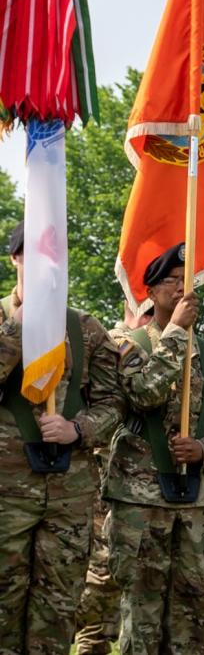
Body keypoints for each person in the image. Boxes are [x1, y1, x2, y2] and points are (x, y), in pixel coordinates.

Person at [0, 222, 127, 655]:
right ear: (15, 258)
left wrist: (80, 429)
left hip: (69, 497)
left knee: (56, 615)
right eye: (33, 254)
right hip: (6, 496)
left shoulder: (85, 329)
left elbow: (115, 403)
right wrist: (18, 329)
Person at [105, 243, 204, 655]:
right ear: (151, 290)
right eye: (171, 282)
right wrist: (176, 332)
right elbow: (144, 393)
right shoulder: (124, 342)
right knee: (141, 612)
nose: (181, 289)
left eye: (187, 282)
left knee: (190, 615)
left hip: (194, 502)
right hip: (139, 501)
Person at [75, 306, 151, 655]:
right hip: (103, 479)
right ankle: (90, 640)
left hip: (134, 483)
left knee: (120, 573)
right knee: (102, 571)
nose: (151, 321)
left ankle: (95, 640)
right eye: (146, 312)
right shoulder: (114, 343)